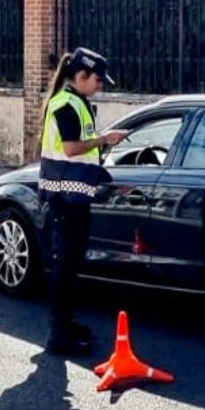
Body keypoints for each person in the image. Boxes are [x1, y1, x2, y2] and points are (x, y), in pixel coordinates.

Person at [37, 47, 129, 356]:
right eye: (98, 80)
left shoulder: (78, 103)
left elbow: (81, 148)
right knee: (64, 266)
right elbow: (73, 148)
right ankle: (58, 334)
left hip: (75, 196)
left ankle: (66, 323)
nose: (100, 85)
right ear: (81, 76)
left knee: (71, 263)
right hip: (64, 198)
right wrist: (105, 139)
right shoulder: (65, 104)